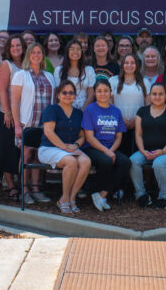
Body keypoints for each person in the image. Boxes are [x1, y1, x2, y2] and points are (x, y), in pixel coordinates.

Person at [11, 42, 57, 203]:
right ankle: (24, 190)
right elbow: (14, 102)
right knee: (26, 156)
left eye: (39, 52)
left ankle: (36, 189)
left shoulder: (49, 76)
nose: (36, 55)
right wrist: (17, 124)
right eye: (33, 52)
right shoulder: (20, 75)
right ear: (28, 55)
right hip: (27, 123)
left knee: (39, 156)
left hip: (45, 125)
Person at [38, 80, 91, 216]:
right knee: (71, 162)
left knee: (86, 162)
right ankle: (65, 199)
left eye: (71, 93)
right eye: (64, 92)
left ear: (75, 95)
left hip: (69, 149)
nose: (68, 95)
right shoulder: (52, 109)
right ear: (58, 95)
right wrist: (64, 147)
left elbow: (82, 136)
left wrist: (76, 145)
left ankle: (71, 198)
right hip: (49, 148)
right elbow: (49, 132)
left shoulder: (79, 113)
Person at [82, 79, 131, 211]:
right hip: (92, 147)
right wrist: (107, 151)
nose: (103, 94)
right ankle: (93, 191)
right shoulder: (90, 110)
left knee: (126, 162)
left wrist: (111, 151)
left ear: (110, 92)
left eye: (106, 91)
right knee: (106, 161)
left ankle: (102, 194)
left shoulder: (116, 111)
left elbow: (119, 136)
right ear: (95, 93)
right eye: (99, 91)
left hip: (111, 147)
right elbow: (89, 137)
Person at [130, 82, 166, 208]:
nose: (157, 97)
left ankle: (164, 196)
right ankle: (141, 194)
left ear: (165, 95)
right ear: (150, 96)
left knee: (158, 163)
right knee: (133, 160)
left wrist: (163, 151)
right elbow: (138, 134)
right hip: (146, 150)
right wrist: (142, 151)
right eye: (154, 94)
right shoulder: (142, 111)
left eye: (160, 94)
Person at [0, 34, 25, 201]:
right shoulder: (6, 65)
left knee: (20, 152)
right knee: (7, 150)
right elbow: (2, 90)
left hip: (23, 114)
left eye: (18, 45)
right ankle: (11, 185)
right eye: (12, 46)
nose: (15, 48)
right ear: (8, 49)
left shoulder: (26, 65)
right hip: (8, 114)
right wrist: (7, 112)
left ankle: (22, 185)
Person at [108, 53, 147, 155]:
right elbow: (109, 102)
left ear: (137, 65)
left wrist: (137, 119)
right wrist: (120, 118)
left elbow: (148, 105)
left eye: (132, 63)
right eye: (126, 63)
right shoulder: (113, 80)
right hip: (118, 124)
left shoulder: (145, 82)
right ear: (122, 65)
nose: (129, 65)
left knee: (134, 155)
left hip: (138, 125)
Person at [55, 38, 96, 109]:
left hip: (84, 110)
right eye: (72, 49)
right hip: (64, 110)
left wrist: (83, 111)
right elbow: (57, 94)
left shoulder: (89, 70)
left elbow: (91, 95)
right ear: (67, 51)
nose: (75, 52)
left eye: (78, 49)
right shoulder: (59, 70)